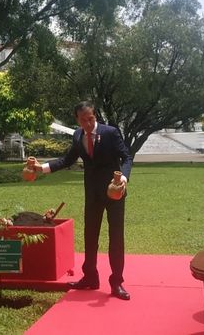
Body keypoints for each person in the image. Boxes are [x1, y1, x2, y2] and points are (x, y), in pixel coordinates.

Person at [28, 101, 133, 300]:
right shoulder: (78, 135)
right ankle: (90, 277)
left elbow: (126, 157)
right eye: (83, 120)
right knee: (90, 235)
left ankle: (117, 282)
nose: (88, 123)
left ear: (95, 116)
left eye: (91, 118)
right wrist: (41, 168)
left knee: (116, 237)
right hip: (92, 193)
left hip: (115, 192)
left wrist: (124, 179)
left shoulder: (110, 133)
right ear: (77, 119)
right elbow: (67, 160)